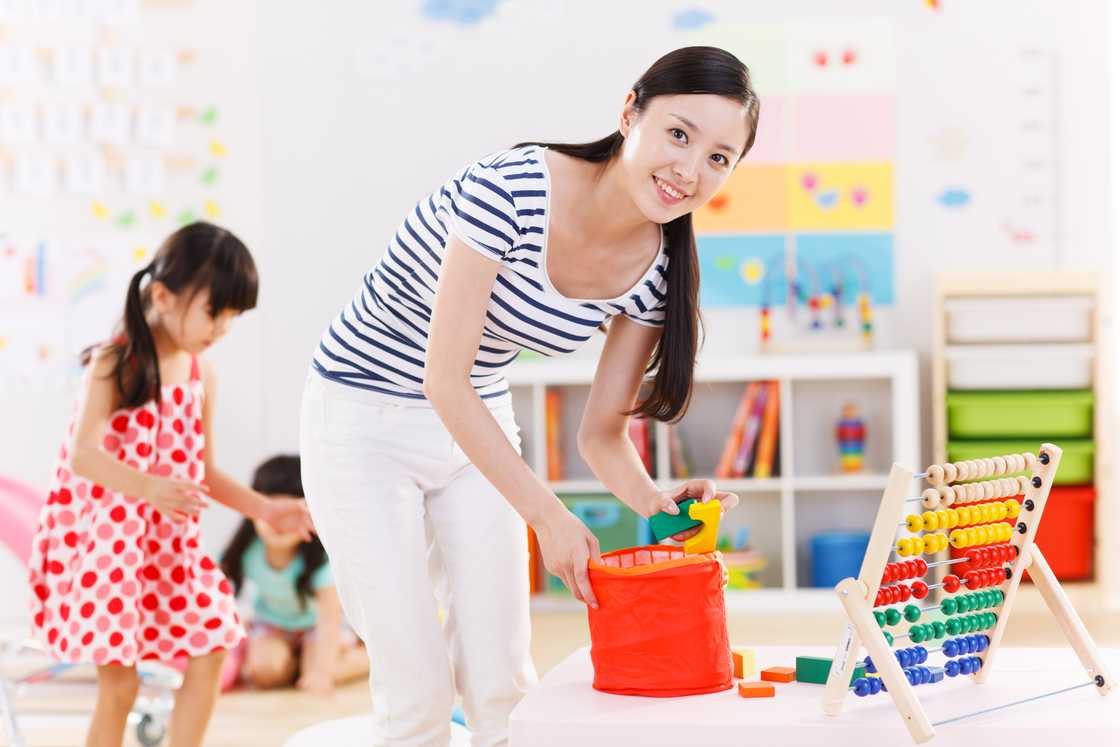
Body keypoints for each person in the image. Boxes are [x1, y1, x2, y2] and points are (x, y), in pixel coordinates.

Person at [301, 46, 760, 746]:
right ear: (630, 109)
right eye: (679, 134)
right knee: (416, 689)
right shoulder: (511, 188)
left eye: (720, 157)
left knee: (505, 688)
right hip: (363, 419)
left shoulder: (658, 268)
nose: (690, 171)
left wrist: (659, 506)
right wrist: (546, 515)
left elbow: (600, 433)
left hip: (475, 424)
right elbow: (441, 378)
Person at [27, 222, 313, 747]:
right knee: (120, 685)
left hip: (167, 546)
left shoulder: (202, 375)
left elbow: (201, 470)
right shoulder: (115, 362)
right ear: (163, 295)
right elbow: (83, 455)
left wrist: (266, 510)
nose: (221, 328)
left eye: (233, 317)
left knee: (216, 640)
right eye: (214, 312)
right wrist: (149, 487)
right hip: (107, 548)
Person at [220, 455, 368, 694]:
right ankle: (298, 663)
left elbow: (329, 620)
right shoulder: (246, 551)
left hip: (317, 629)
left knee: (324, 674)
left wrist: (322, 672)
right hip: (272, 625)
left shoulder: (320, 559)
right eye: (271, 512)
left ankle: (367, 658)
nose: (279, 524)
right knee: (264, 672)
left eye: (289, 514)